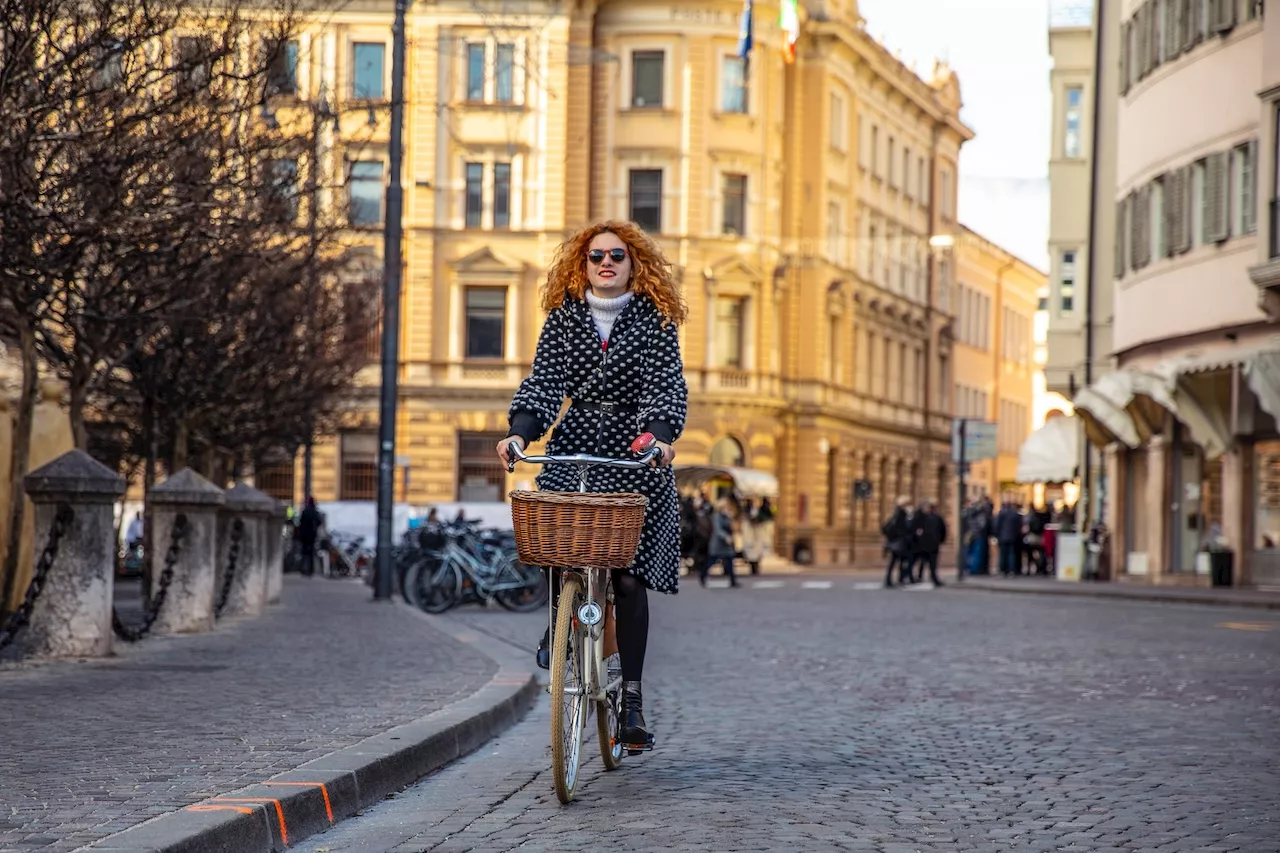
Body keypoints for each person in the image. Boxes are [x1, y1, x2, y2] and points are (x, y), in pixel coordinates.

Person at [497, 220, 688, 751]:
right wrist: (519, 434)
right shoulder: (564, 319)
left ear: (633, 265)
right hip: (576, 444)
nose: (606, 263)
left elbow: (666, 386)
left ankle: (632, 701)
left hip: (633, 453)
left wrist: (659, 438)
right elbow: (543, 383)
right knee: (561, 547)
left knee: (627, 578)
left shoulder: (654, 321)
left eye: (617, 256)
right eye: (596, 256)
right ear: (582, 265)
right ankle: (560, 623)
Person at [701, 498, 740, 587]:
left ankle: (733, 580)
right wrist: (725, 537)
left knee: (730, 561)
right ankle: (703, 575)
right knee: (712, 560)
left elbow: (732, 527)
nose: (727, 508)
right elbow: (718, 530)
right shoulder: (717, 516)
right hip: (718, 544)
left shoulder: (727, 516)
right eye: (725, 506)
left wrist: (730, 518)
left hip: (727, 545)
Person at [296, 497, 323, 577]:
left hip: (304, 535)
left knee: (304, 553)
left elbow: (300, 522)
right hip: (312, 535)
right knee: (311, 553)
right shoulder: (315, 512)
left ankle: (303, 570)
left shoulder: (305, 511)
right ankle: (310, 571)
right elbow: (319, 521)